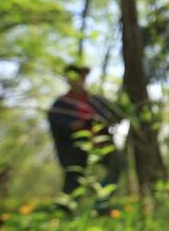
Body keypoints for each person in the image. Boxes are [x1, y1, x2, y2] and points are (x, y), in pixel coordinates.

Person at [48, 64, 124, 214]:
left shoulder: (96, 100)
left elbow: (116, 116)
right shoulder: (61, 103)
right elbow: (60, 125)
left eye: (81, 77)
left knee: (117, 162)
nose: (78, 80)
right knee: (74, 179)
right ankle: (65, 211)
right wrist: (83, 122)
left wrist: (107, 120)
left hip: (101, 144)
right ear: (68, 79)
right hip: (75, 149)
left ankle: (101, 203)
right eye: (73, 77)